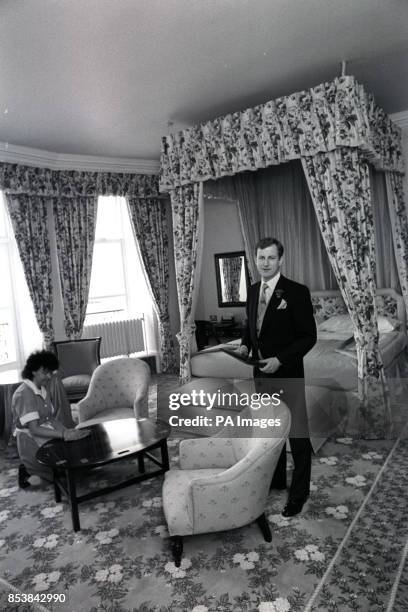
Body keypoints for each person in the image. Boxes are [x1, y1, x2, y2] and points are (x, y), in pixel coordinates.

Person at [238, 237, 316, 517]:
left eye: (271, 258)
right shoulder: (253, 289)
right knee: (270, 430)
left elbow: (309, 337)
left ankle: (299, 494)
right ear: (256, 259)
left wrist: (281, 359)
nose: (265, 263)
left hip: (288, 374)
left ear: (281, 260)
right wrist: (245, 344)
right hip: (261, 375)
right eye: (261, 258)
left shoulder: (296, 292)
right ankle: (277, 479)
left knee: (297, 435)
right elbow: (252, 328)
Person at [12, 350, 89, 488]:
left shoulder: (42, 389)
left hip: (45, 431)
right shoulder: (23, 394)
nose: (48, 376)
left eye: (50, 372)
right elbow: (34, 429)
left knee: (73, 458)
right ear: (34, 370)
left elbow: (50, 419)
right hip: (30, 439)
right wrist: (63, 435)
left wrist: (68, 432)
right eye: (45, 372)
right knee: (58, 477)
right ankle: (27, 471)